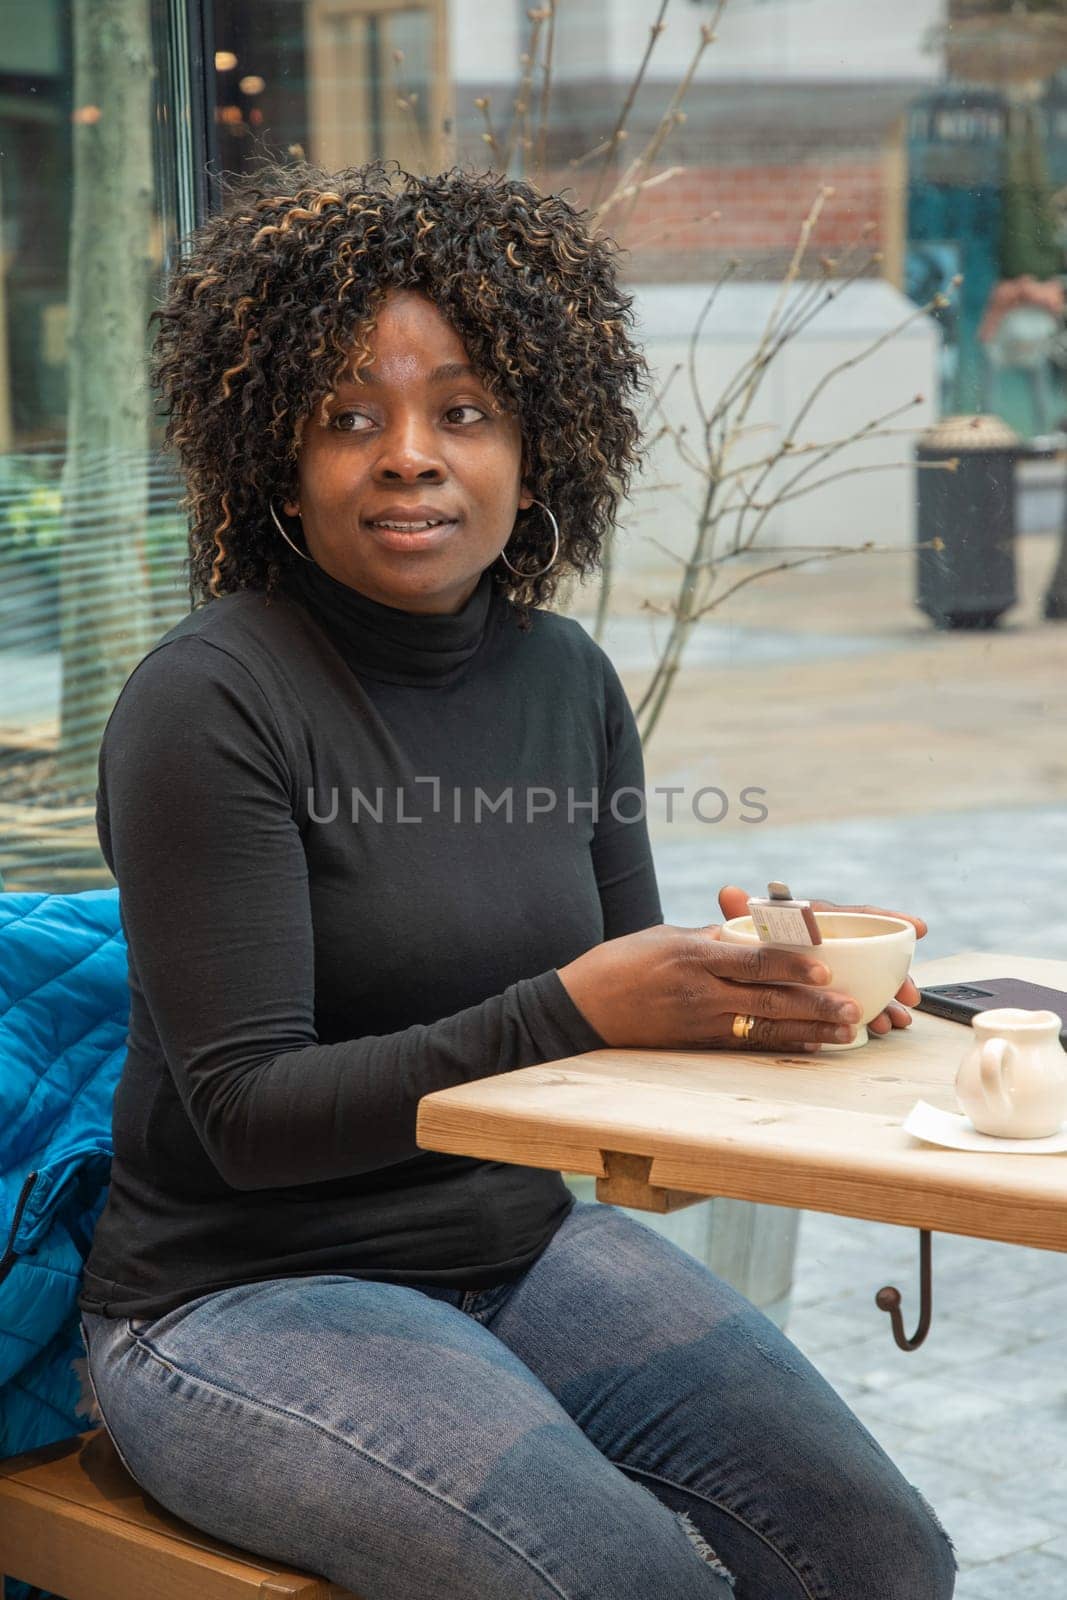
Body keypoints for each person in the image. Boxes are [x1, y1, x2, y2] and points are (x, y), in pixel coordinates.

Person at [78, 159, 956, 1600]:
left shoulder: (567, 682)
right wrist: (573, 1004)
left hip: (522, 1247)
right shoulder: (212, 701)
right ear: (277, 461)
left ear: (538, 448)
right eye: (349, 416)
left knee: (875, 1552)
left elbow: (618, 1045)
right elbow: (245, 1117)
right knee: (619, 1580)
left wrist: (770, 996)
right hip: (236, 1299)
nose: (409, 453)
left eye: (463, 411)